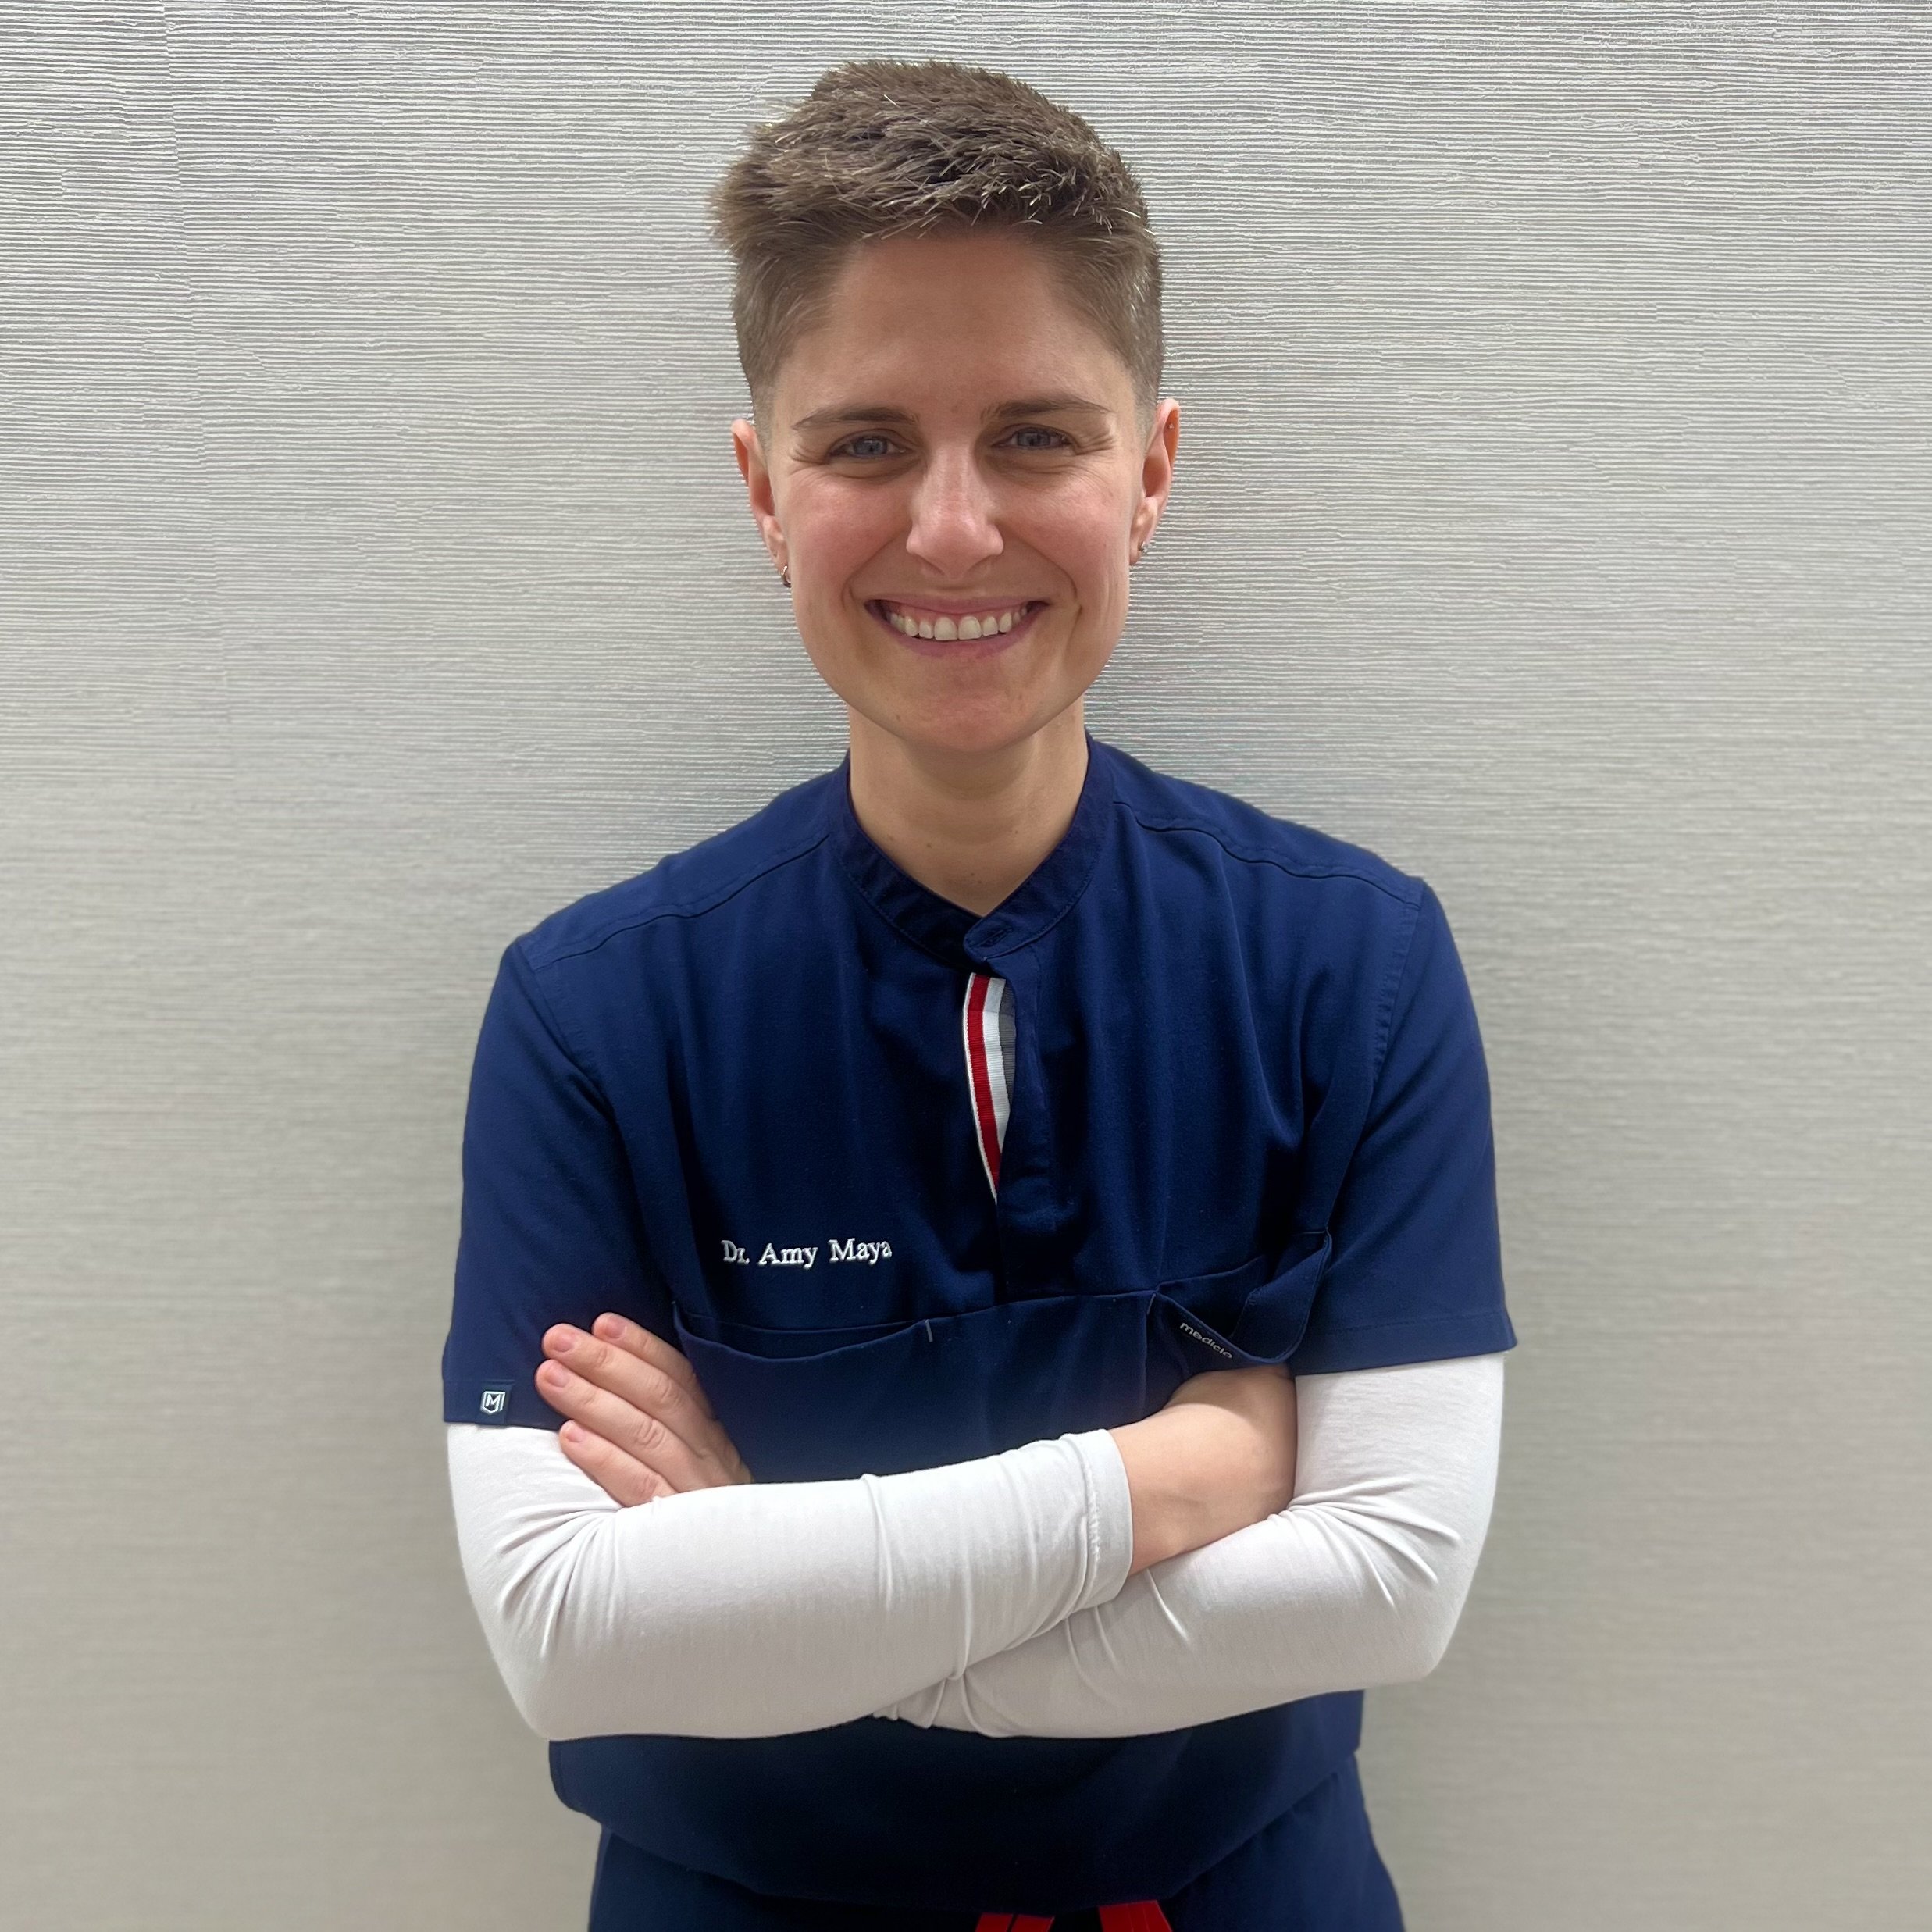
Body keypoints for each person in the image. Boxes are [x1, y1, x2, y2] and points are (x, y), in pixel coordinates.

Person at [441, 57, 1515, 1932]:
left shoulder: (1352, 965)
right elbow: (566, 1634)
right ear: (763, 489)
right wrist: (1177, 1475)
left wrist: (760, 1590)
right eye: (865, 443)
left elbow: (1392, 1586)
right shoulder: (595, 1014)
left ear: (1149, 474)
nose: (950, 530)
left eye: (1034, 436)